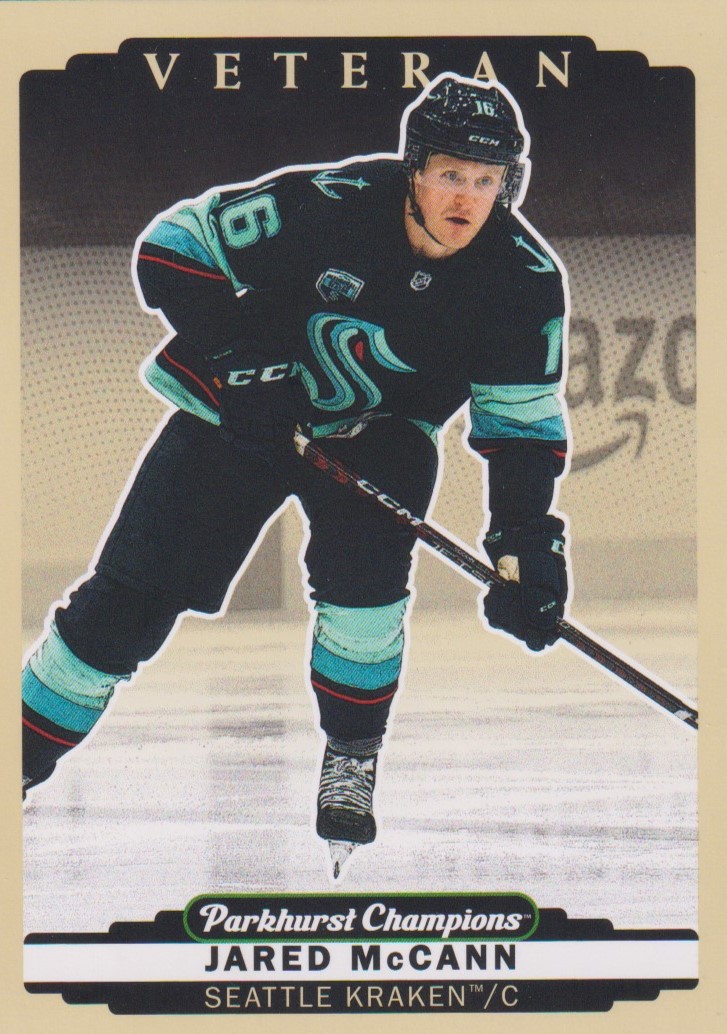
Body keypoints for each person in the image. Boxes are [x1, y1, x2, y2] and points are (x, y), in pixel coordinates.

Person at [22, 73, 570, 871]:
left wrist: (524, 540)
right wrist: (245, 360)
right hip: (236, 421)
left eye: (486, 180)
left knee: (365, 602)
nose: (466, 198)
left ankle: (351, 755)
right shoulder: (332, 202)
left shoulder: (521, 279)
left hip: (380, 436)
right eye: (451, 173)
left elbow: (520, 426)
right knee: (121, 610)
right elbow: (171, 245)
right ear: (413, 167)